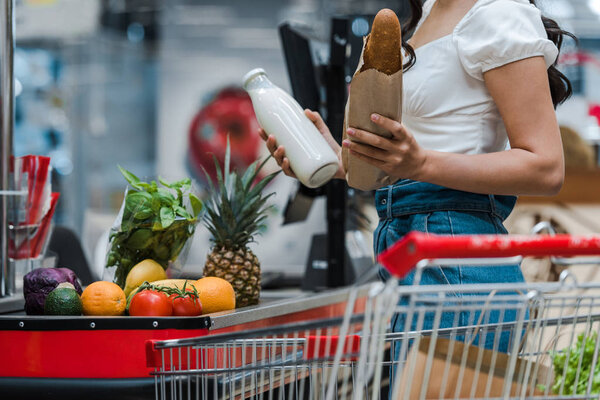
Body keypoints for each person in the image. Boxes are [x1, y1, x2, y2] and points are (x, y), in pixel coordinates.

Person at [259, 0, 572, 350]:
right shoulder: (420, 18)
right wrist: (336, 160)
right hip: (407, 245)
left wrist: (420, 163)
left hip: (455, 256)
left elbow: (546, 167)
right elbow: (409, 157)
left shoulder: (497, 12)